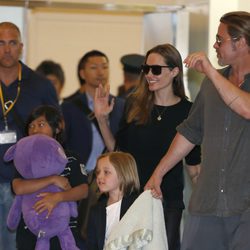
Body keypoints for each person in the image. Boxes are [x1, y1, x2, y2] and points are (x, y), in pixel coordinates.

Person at [145, 11, 250, 250]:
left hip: (246, 206)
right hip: (207, 203)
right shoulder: (210, 85)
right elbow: (190, 132)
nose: (215, 45)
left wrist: (211, 72)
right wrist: (159, 172)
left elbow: (246, 108)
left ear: (241, 42)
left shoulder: (212, 79)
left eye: (220, 40)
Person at [94, 43, 201, 250]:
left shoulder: (189, 111)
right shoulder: (134, 104)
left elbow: (194, 165)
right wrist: (101, 120)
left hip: (167, 200)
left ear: (174, 71)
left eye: (156, 69)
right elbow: (117, 153)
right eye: (146, 69)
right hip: (130, 195)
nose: (149, 74)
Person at [0, 22, 58, 250]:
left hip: (29, 183)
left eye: (12, 43)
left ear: (21, 47)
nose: (7, 49)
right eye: (1, 43)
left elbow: (56, 131)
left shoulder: (40, 85)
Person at [61, 50, 125, 240]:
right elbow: (64, 143)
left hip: (111, 175)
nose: (100, 72)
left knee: (105, 229)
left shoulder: (119, 104)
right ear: (82, 73)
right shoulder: (69, 106)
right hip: (81, 176)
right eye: (94, 67)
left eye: (105, 67)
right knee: (79, 228)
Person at [12, 105, 88, 250]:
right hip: (30, 235)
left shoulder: (71, 157)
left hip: (64, 234)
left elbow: (83, 190)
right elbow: (18, 187)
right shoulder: (24, 161)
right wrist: (52, 179)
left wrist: (58, 197)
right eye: (31, 126)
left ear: (58, 127)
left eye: (41, 124)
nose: (35, 130)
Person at [86, 151, 140, 250]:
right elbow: (91, 245)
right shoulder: (96, 210)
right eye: (98, 172)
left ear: (123, 173)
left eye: (106, 172)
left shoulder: (137, 205)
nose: (99, 177)